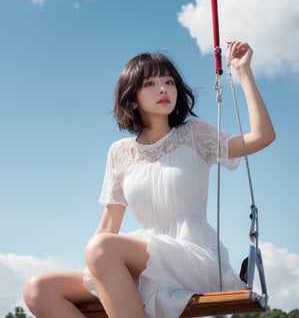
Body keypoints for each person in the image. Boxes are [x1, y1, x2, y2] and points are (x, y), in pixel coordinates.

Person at [23, 41, 275, 318]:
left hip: (192, 256)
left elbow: (262, 137)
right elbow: (108, 225)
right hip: (141, 260)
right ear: (132, 99)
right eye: (150, 83)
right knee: (39, 289)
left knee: (101, 249)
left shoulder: (194, 135)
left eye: (169, 81)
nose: (164, 88)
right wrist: (97, 268)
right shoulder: (119, 153)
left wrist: (243, 72)